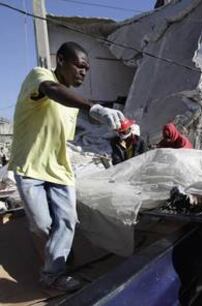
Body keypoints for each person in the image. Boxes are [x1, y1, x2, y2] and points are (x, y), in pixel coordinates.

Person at [8, 42, 125, 292]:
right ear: (60, 60)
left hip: (60, 169)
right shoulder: (40, 77)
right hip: (30, 167)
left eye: (87, 69)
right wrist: (92, 107)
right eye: (79, 66)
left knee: (67, 220)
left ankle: (53, 275)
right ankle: (57, 254)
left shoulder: (71, 104)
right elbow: (52, 90)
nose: (83, 72)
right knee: (42, 225)